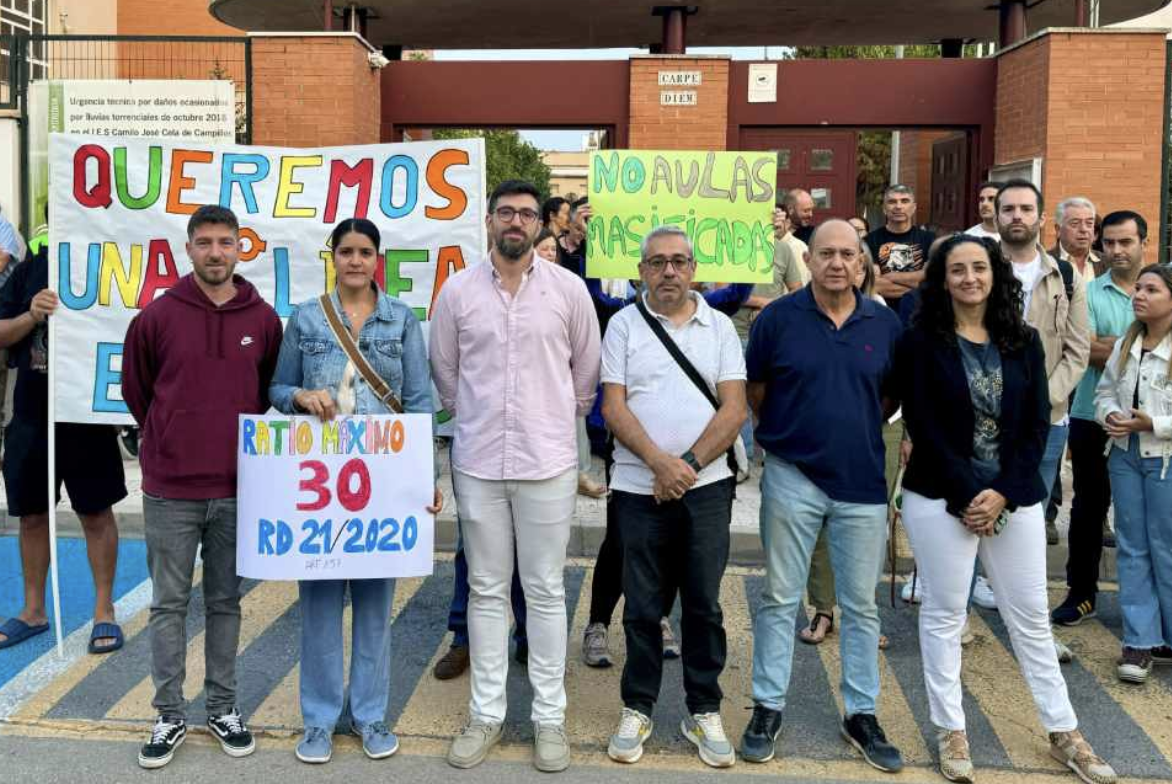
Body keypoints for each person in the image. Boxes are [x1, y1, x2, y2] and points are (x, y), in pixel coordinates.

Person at [894, 234, 1116, 784]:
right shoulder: (920, 341)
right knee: (945, 613)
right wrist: (970, 494)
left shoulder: (1023, 340)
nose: (969, 278)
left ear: (995, 275)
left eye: (979, 267)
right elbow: (924, 425)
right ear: (943, 280)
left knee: (1031, 618)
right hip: (940, 494)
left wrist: (1003, 494)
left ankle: (1065, 732)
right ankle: (951, 729)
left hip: (1012, 495)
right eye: (957, 270)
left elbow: (1037, 424)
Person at [430, 179, 601, 773]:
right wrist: (480, 418)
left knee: (546, 589)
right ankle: (486, 715)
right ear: (489, 221)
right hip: (478, 461)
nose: (516, 222)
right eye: (505, 212)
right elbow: (446, 373)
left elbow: (586, 373)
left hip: (546, 462)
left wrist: (550, 420)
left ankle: (549, 718)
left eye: (527, 214)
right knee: (485, 589)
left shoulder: (568, 290)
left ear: (539, 224)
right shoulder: (456, 292)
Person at [268, 218, 443, 763]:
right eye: (345, 251)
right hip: (321, 487)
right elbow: (276, 388)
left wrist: (427, 478)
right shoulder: (305, 316)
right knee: (319, 607)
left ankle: (370, 716)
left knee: (374, 609)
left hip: (382, 485)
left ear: (377, 259)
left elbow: (420, 403)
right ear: (333, 257)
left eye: (365, 252)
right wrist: (301, 397)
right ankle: (319, 720)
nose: (355, 261)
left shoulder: (401, 320)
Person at [122, 204, 282, 769]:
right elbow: (138, 391)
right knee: (168, 605)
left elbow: (266, 390)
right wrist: (171, 436)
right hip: (170, 488)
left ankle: (222, 707)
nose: (216, 252)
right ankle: (168, 714)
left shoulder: (263, 319)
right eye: (205, 242)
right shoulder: (157, 317)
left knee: (224, 603)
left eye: (225, 242)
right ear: (188, 248)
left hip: (237, 488)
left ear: (241, 248)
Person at [741, 219, 904, 773]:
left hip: (861, 482)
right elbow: (757, 391)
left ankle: (861, 713)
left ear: (861, 263)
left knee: (860, 606)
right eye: (826, 253)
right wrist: (794, 435)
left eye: (847, 254)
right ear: (807, 259)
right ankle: (767, 707)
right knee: (779, 597)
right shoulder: (777, 319)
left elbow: (888, 397)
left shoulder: (884, 323)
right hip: (792, 476)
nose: (837, 263)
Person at [600, 225, 746, 768]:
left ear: (693, 269)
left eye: (679, 261)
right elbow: (613, 406)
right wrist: (659, 464)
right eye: (657, 262)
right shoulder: (623, 325)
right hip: (637, 488)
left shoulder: (719, 327)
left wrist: (687, 467)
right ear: (642, 270)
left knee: (704, 604)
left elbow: (734, 409)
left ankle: (703, 708)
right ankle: (637, 707)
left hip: (706, 489)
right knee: (641, 607)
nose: (668, 271)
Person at [0, 243, 126, 654]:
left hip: (85, 414)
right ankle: (33, 610)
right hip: (31, 414)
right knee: (32, 515)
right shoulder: (28, 271)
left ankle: (104, 610)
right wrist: (31, 315)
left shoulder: (106, 259)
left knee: (96, 511)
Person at [972, 180, 1089, 613]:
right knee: (972, 507)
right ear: (996, 216)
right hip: (981, 416)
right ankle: (965, 598)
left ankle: (1024, 604)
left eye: (1025, 209)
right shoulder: (977, 267)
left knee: (1028, 514)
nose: (1016, 216)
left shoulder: (1066, 276)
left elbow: (1077, 350)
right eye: (1008, 209)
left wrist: (1041, 401)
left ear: (1040, 217)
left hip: (1047, 420)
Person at [1054, 211, 1146, 628]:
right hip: (1093, 414)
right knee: (1089, 509)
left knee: (1145, 514)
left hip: (1150, 421)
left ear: (1143, 243)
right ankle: (1081, 594)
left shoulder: (1159, 287)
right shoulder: (1087, 292)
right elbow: (1083, 349)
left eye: (1125, 242)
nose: (1116, 250)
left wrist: (1111, 345)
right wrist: (1143, 346)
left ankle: (1144, 603)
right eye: (1108, 243)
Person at [1095, 263, 1172, 684]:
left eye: (1152, 290)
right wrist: (1110, 414)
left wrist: (1153, 424)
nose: (1139, 295)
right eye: (1138, 288)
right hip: (1124, 456)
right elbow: (1105, 391)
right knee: (1132, 546)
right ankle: (1140, 641)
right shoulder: (1128, 342)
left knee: (1166, 546)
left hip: (1165, 458)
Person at [866, 184, 936, 306]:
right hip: (881, 309)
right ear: (884, 208)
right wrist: (918, 285)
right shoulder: (870, 240)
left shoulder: (930, 239)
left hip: (920, 310)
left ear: (913, 208)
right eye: (892, 202)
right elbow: (874, 284)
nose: (898, 206)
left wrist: (889, 276)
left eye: (904, 201)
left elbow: (931, 280)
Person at [1051, 197, 1102, 293]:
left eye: (1089, 223)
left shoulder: (1108, 263)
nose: (1083, 229)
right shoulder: (1045, 262)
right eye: (1075, 224)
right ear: (1058, 230)